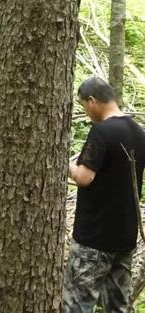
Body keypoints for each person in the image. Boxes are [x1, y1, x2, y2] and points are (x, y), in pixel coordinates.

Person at [64, 76, 145, 313]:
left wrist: (64, 164)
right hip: (124, 239)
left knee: (77, 305)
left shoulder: (101, 132)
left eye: (83, 105)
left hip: (94, 240)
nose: (86, 112)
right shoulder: (138, 131)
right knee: (118, 306)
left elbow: (84, 177)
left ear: (92, 101)